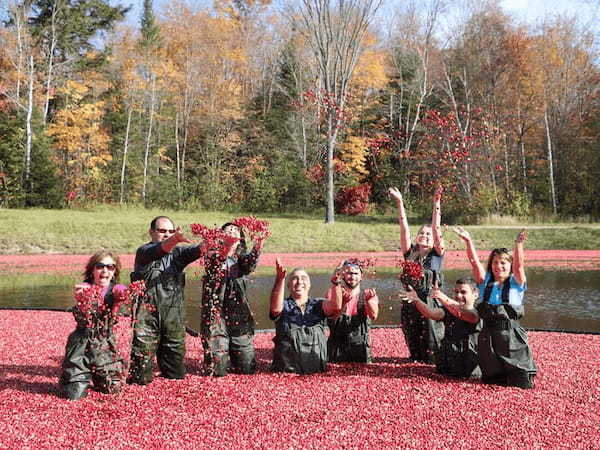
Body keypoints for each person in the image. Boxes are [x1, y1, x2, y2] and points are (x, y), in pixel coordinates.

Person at [454, 227, 537, 388]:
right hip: (488, 337)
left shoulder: (516, 282)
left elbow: (519, 266)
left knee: (520, 380)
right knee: (492, 381)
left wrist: (518, 245)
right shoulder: (486, 283)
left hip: (511, 336)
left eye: (503, 262)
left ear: (509, 265)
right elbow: (474, 262)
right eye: (495, 262)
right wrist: (468, 241)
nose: (498, 266)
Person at [128, 216, 205, 385]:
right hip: (145, 318)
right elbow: (160, 250)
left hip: (173, 319)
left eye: (171, 231)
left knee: (176, 374)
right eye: (162, 231)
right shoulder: (144, 252)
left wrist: (214, 240)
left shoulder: (179, 254)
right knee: (139, 376)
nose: (167, 234)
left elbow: (200, 250)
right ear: (151, 232)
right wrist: (175, 239)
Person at [389, 185, 446, 363]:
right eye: (422, 233)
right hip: (409, 302)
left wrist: (436, 203)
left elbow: (436, 229)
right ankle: (415, 359)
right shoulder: (410, 253)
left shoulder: (437, 254)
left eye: (428, 234)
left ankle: (433, 362)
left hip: (429, 301)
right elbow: (404, 228)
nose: (425, 235)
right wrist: (400, 203)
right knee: (411, 333)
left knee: (431, 336)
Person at [60, 251, 127, 400]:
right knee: (74, 394)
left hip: (105, 345)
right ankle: (72, 378)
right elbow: (81, 292)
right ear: (92, 270)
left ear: (114, 271)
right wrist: (81, 297)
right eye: (100, 266)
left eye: (110, 267)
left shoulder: (116, 289)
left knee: (113, 388)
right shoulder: (85, 287)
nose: (105, 271)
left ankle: (100, 376)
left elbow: (121, 291)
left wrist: (124, 295)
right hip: (81, 344)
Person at [201, 222, 265, 377]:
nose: (232, 231)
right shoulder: (211, 254)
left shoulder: (241, 260)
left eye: (236, 230)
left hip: (239, 315)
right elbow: (216, 264)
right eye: (228, 230)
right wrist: (227, 246)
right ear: (220, 236)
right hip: (215, 314)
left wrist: (258, 244)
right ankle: (219, 356)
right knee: (217, 369)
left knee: (247, 367)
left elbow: (250, 265)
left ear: (240, 239)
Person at [269, 258, 342, 374]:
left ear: (309, 285)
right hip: (286, 372)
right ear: (288, 285)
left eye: (303, 279)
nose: (299, 282)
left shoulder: (318, 304)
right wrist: (280, 279)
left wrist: (336, 282)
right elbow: (275, 308)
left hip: (317, 371)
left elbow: (336, 307)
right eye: (294, 278)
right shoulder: (283, 305)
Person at [403, 277, 481, 378]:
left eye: (463, 292)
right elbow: (430, 313)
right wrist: (416, 300)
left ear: (475, 295)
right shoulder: (448, 310)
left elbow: (464, 314)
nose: (458, 295)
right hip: (449, 367)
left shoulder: (478, 313)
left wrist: (442, 297)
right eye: (456, 292)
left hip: (470, 370)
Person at [325, 260, 379, 363]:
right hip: (336, 349)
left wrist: (367, 300)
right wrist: (343, 303)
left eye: (355, 273)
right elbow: (331, 318)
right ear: (343, 275)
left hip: (360, 349)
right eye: (349, 273)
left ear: (361, 276)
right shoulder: (333, 292)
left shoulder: (368, 294)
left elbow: (373, 315)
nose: (352, 276)